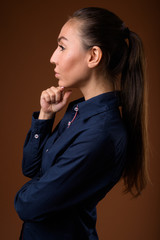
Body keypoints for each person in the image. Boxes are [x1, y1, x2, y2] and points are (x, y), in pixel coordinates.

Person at [14, 7, 148, 240]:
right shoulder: (77, 111)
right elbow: (31, 169)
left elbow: (27, 206)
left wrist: (29, 191)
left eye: (62, 47)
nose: (53, 57)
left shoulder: (101, 133)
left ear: (93, 56)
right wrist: (45, 116)